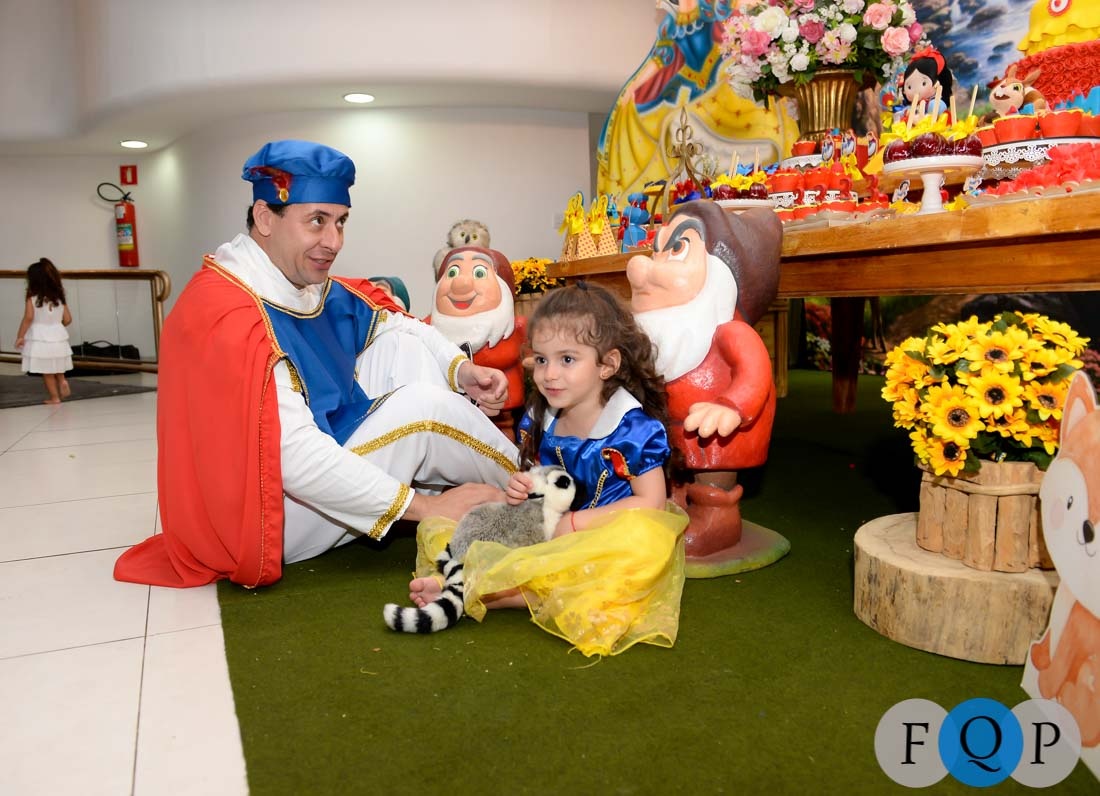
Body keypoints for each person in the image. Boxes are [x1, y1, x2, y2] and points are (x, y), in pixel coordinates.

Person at [113, 140, 520, 588]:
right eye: (317, 221)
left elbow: (402, 325)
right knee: (424, 410)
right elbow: (296, 460)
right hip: (265, 519)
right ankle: (538, 490)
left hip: (311, 474)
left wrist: (461, 371)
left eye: (341, 222)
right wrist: (424, 508)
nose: (334, 242)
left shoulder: (295, 282)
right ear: (265, 218)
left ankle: (492, 491)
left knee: (402, 343)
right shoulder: (230, 312)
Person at [409, 282, 688, 656]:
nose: (549, 374)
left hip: (607, 532)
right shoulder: (545, 415)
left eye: (567, 359)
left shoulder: (631, 430)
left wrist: (575, 525)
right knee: (480, 523)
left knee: (624, 561)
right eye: (541, 359)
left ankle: (486, 592)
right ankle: (478, 583)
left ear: (607, 364)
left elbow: (651, 504)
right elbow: (546, 476)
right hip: (553, 526)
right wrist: (525, 487)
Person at [628, 200, 782, 569]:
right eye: (657, 250)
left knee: (712, 467)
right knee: (672, 465)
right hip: (674, 428)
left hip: (722, 426)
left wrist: (730, 407)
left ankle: (718, 517)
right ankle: (674, 501)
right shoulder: (657, 334)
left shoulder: (730, 332)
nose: (644, 268)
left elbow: (755, 371)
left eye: (678, 248)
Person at [427, 246, 527, 440]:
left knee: (500, 434)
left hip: (501, 406)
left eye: (479, 273)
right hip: (448, 409)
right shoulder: (427, 329)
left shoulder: (516, 327)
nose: (461, 284)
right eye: (452, 272)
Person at [15, 258, 73, 404]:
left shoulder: (32, 297)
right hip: (58, 336)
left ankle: (55, 397)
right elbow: (68, 319)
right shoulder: (59, 296)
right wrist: (56, 325)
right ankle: (62, 380)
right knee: (57, 363)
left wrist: (20, 336)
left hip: (40, 336)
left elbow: (28, 318)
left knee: (47, 371)